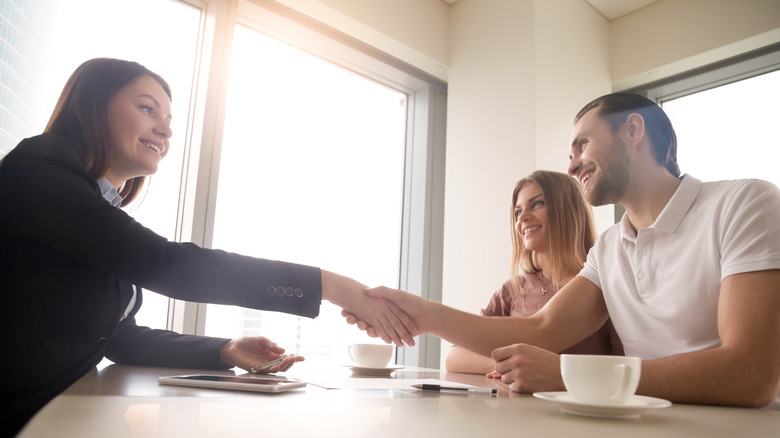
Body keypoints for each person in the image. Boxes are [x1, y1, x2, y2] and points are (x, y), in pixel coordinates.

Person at [0, 58, 416, 435]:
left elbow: (115, 338)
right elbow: (169, 264)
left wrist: (226, 349)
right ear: (91, 105)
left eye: (167, 119)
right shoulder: (39, 173)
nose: (164, 129)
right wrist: (332, 287)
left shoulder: (88, 210)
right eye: (147, 109)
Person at [349, 92, 780, 407]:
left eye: (583, 145)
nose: (572, 164)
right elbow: (540, 331)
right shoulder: (610, 248)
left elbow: (751, 375)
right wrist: (421, 314)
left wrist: (568, 374)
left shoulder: (744, 204)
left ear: (633, 129)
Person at [445, 170, 622, 383]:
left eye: (537, 204)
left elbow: (625, 367)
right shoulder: (512, 291)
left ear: (568, 209)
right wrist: (508, 366)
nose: (523, 218)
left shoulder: (602, 286)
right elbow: (454, 357)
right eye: (518, 212)